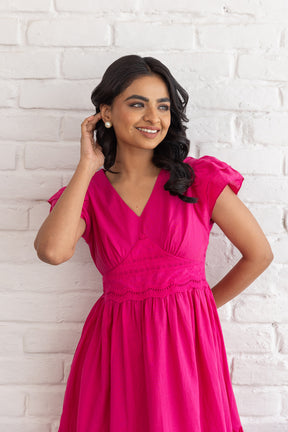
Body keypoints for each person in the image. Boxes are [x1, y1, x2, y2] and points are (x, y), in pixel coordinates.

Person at [34, 54, 273, 432]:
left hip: (187, 345)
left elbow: (259, 254)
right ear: (106, 112)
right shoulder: (89, 194)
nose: (153, 117)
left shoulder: (197, 178)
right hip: (117, 346)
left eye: (162, 106)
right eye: (137, 104)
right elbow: (52, 251)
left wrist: (200, 307)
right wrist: (87, 165)